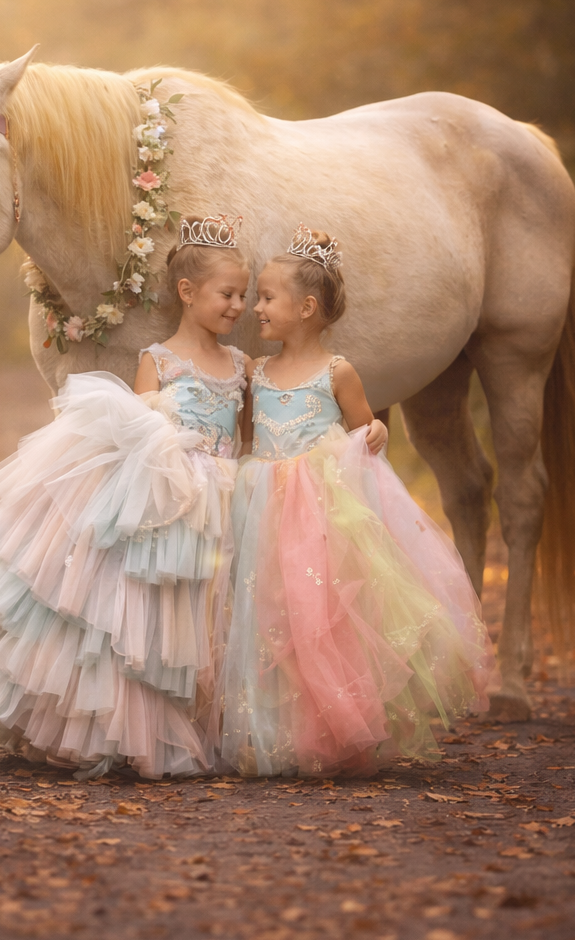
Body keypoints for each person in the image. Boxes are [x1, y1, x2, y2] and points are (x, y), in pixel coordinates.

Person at [0, 215, 250, 778]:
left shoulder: (242, 365)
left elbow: (244, 440)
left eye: (244, 296)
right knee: (155, 611)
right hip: (170, 496)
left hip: (223, 499)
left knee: (208, 613)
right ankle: (133, 724)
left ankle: (209, 718)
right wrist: (171, 443)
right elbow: (140, 434)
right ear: (187, 292)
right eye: (228, 294)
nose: (238, 306)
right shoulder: (159, 359)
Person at [221, 225, 496, 778]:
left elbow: (365, 433)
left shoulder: (337, 372)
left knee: (323, 620)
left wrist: (376, 433)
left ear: (306, 308)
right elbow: (249, 440)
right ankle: (273, 734)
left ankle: (334, 731)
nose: (256, 308)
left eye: (268, 298)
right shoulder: (257, 372)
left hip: (322, 514)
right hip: (264, 507)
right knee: (269, 615)